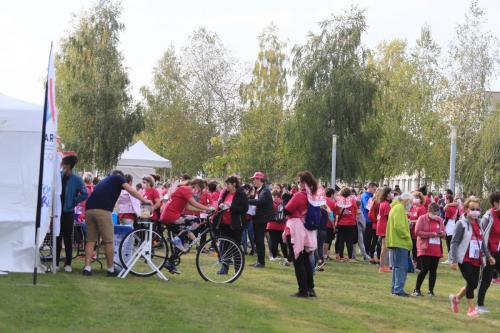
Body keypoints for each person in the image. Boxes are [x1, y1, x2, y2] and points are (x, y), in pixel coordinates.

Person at [83, 170, 150, 276]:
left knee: (90, 240)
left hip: (89, 210)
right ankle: (111, 269)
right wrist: (144, 200)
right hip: (103, 211)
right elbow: (131, 190)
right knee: (108, 241)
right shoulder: (118, 178)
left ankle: (87, 268)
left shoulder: (104, 181)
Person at [449, 197, 495, 317]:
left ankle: (456, 298)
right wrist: (453, 260)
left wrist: (488, 256)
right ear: (466, 209)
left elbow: (482, 242)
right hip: (464, 258)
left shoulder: (479, 223)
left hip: (476, 258)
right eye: (472, 209)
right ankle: (471, 309)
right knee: (471, 282)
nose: (475, 211)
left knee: (473, 284)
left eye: (477, 209)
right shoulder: (461, 224)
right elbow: (454, 242)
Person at [284, 171, 319, 298]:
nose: (298, 184)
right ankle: (310, 288)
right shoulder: (313, 195)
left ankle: (302, 290)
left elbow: (287, 209)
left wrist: (287, 198)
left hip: (296, 230)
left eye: (299, 182)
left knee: (298, 261)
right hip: (307, 230)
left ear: (303, 183)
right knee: (306, 261)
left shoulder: (300, 195)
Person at [56, 155, 88, 272]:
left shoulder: (77, 179)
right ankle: (56, 263)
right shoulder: (58, 176)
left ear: (68, 165)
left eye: (63, 164)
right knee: (57, 237)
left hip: (68, 212)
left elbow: (85, 193)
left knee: (68, 238)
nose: (62, 166)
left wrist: (74, 201)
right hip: (57, 212)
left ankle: (68, 264)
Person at [216, 176, 249, 275]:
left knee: (235, 247)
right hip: (224, 224)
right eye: (226, 184)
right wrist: (221, 204)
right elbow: (220, 202)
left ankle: (237, 269)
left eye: (228, 184)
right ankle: (224, 268)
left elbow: (245, 208)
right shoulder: (225, 193)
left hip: (236, 225)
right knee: (224, 247)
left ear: (234, 184)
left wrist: (231, 206)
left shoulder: (241, 194)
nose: (226, 186)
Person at [412, 203, 446, 296]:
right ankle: (417, 289)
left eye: (437, 214)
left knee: (433, 270)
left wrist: (441, 234)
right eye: (434, 214)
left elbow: (444, 233)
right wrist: (432, 234)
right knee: (424, 269)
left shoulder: (439, 220)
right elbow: (417, 232)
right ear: (429, 211)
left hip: (436, 248)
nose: (436, 216)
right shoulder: (422, 219)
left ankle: (431, 291)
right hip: (425, 248)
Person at [476, 191, 500, 314]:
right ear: (495, 203)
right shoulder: (488, 216)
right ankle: (479, 305)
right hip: (489, 251)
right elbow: (482, 236)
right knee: (486, 279)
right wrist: (486, 255)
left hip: (499, 250)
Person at [386, 192, 413, 297]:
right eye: (410, 202)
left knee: (397, 267)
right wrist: (407, 235)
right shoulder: (399, 208)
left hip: (396, 241)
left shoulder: (396, 208)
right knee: (402, 267)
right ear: (406, 200)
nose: (410, 205)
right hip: (400, 242)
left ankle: (395, 288)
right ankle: (398, 289)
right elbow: (399, 227)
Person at [248, 172, 274, 268]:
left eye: (255, 179)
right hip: (257, 219)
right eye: (253, 179)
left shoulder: (265, 191)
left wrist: (248, 200)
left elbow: (260, 202)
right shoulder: (258, 190)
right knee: (258, 240)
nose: (253, 181)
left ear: (260, 180)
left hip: (261, 220)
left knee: (259, 240)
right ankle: (259, 261)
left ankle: (261, 262)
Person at [334, 187, 358, 262]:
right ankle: (350, 257)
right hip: (351, 223)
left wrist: (341, 212)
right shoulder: (352, 201)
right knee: (349, 241)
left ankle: (341, 256)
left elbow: (335, 210)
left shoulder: (338, 201)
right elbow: (356, 210)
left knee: (341, 240)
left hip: (341, 223)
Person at [267, 189, 288, 262]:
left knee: (273, 241)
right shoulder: (283, 203)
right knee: (283, 242)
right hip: (282, 225)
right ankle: (285, 256)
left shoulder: (272, 203)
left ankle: (274, 256)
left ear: (275, 195)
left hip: (272, 224)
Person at [409, 191, 427, 270]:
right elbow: (410, 216)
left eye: (417, 198)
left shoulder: (422, 208)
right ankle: (414, 262)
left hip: (418, 232)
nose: (415, 199)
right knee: (412, 248)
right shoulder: (412, 207)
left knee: (417, 249)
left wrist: (412, 221)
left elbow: (421, 220)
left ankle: (419, 265)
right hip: (411, 231)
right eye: (414, 198)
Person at [376, 187, 393, 272]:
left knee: (384, 247)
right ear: (387, 195)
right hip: (384, 227)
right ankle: (382, 266)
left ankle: (383, 265)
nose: (392, 195)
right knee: (384, 248)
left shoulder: (383, 203)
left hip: (381, 226)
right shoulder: (386, 204)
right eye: (390, 193)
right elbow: (389, 217)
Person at [361, 183, 378, 262]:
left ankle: (369, 253)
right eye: (374, 189)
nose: (374, 191)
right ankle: (366, 254)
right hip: (367, 219)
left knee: (371, 238)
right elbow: (367, 207)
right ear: (370, 187)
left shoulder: (370, 196)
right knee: (367, 238)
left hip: (371, 220)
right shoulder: (365, 196)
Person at [442, 194, 460, 264]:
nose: (444, 200)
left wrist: (443, 226)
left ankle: (450, 259)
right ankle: (452, 258)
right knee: (452, 242)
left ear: (448, 200)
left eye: (445, 199)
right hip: (453, 224)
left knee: (448, 243)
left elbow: (446, 218)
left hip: (449, 225)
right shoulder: (455, 207)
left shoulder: (448, 207)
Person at [324, 188, 336, 261]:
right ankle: (325, 255)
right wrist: (333, 225)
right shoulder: (331, 202)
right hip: (328, 224)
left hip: (322, 223)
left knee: (325, 240)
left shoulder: (323, 200)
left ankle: (326, 254)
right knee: (327, 240)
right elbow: (330, 215)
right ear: (332, 194)